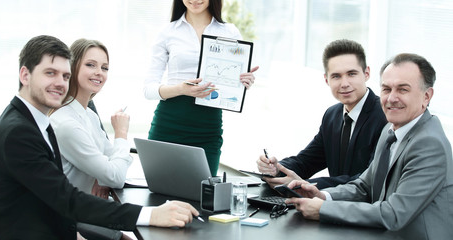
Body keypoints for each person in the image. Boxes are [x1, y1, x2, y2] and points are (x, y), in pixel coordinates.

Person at [0, 35, 199, 240]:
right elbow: (67, 199)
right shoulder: (19, 132)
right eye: (50, 73)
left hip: (50, 226)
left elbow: (57, 197)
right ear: (25, 75)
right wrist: (150, 215)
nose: (60, 83)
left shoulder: (35, 121)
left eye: (65, 76)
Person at [287, 53, 453, 239]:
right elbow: (365, 187)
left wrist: (324, 209)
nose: (391, 98)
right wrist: (322, 196)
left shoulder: (429, 144)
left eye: (403, 90)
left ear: (426, 96)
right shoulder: (390, 130)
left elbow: (393, 214)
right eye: (386, 89)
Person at [144, 0, 259, 176]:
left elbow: (235, 79)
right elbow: (149, 89)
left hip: (208, 128)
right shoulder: (167, 32)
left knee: (202, 193)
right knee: (160, 191)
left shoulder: (229, 32)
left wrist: (245, 81)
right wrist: (181, 89)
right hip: (169, 123)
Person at [257, 39, 387, 189]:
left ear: (366, 73)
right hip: (330, 207)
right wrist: (276, 169)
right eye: (336, 76)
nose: (344, 83)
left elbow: (367, 180)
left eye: (351, 74)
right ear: (327, 80)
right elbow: (306, 162)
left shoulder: (385, 116)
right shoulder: (332, 115)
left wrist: (304, 185)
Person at [50, 38, 130, 199]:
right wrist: (121, 133)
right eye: (90, 65)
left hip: (92, 205)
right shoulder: (66, 123)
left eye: (104, 68)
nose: (99, 72)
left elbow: (112, 163)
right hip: (73, 216)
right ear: (72, 67)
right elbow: (116, 177)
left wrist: (102, 179)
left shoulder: (89, 116)